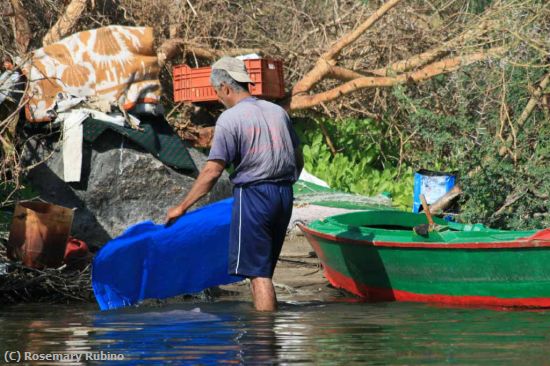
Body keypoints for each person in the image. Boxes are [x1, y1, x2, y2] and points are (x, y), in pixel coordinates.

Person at [165, 56, 303, 311]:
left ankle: (263, 340)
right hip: (284, 194)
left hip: (255, 197)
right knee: (265, 269)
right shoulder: (278, 112)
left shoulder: (230, 119)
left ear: (226, 88)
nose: (218, 99)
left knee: (257, 274)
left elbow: (212, 172)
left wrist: (181, 207)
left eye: (218, 93)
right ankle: (268, 336)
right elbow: (298, 158)